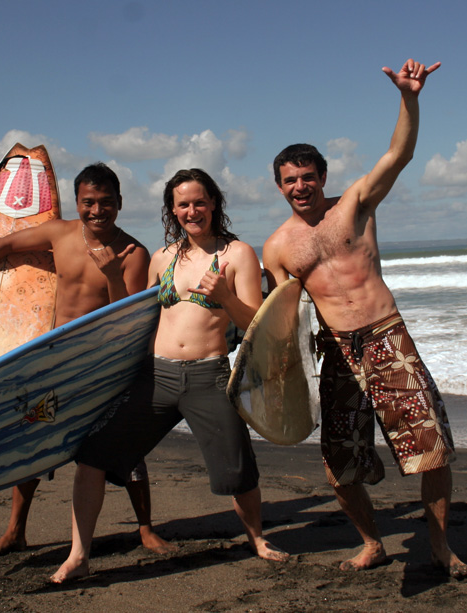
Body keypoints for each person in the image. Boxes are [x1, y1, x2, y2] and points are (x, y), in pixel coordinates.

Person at [262, 59, 467, 579]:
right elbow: (278, 318)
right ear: (279, 186)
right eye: (290, 180)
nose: (300, 187)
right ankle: (372, 542)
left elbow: (398, 154)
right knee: (340, 464)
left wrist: (409, 97)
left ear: (323, 177)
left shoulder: (355, 204)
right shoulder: (277, 247)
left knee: (431, 449)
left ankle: (440, 547)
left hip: (385, 336)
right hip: (334, 348)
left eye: (308, 177)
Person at [51, 168, 290, 584]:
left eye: (199, 202)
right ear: (172, 210)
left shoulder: (238, 254)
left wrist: (225, 297)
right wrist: (111, 276)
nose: (192, 210)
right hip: (156, 376)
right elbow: (132, 317)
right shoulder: (163, 258)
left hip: (209, 377)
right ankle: (78, 556)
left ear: (214, 203)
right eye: (183, 204)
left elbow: (256, 323)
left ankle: (257, 538)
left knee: (237, 472)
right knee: (92, 457)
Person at [0, 163, 174, 558]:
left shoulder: (133, 253)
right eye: (88, 202)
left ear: (120, 202)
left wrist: (113, 275)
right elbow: (7, 245)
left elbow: (126, 322)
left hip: (103, 367)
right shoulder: (61, 233)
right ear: (78, 202)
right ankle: (16, 530)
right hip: (54, 361)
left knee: (125, 445)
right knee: (32, 437)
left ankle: (146, 529)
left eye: (105, 202)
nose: (97, 211)